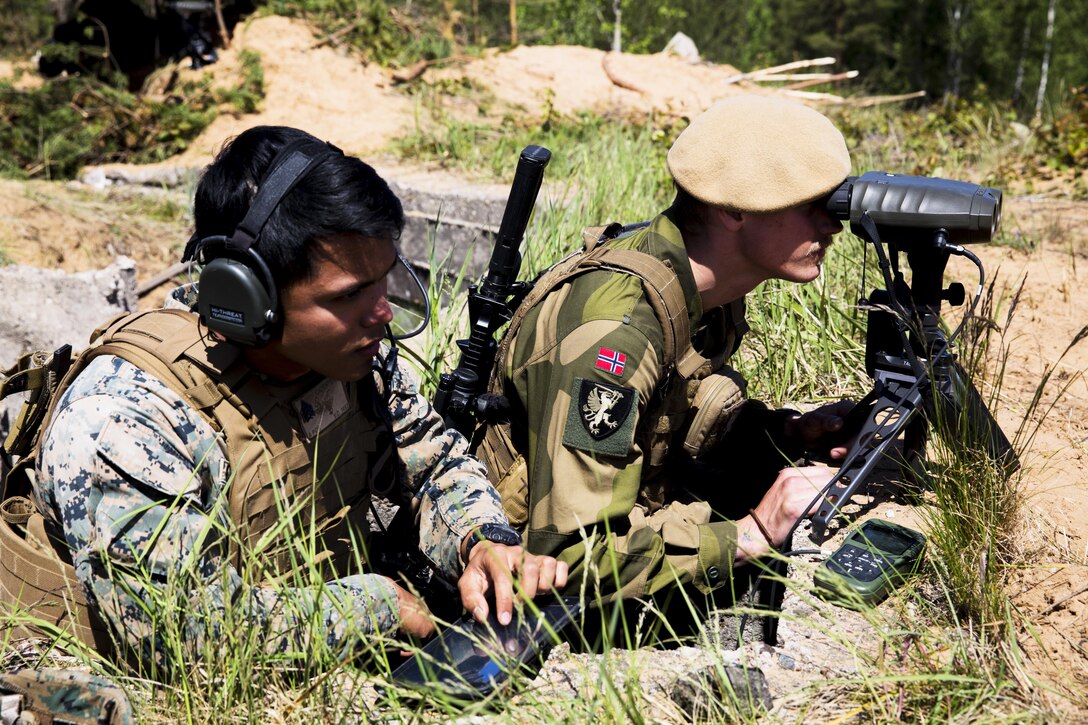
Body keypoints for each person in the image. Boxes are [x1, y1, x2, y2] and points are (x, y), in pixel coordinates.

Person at [16, 125, 567, 669]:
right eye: (350, 294)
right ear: (248, 296)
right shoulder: (127, 418)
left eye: (385, 280)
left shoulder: (349, 355)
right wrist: (376, 606)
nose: (382, 313)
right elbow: (179, 629)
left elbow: (429, 457)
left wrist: (482, 542)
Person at [474, 94, 854, 611]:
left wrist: (784, 435)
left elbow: (669, 412)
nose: (831, 225)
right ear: (733, 209)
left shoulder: (698, 286)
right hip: (521, 561)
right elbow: (571, 558)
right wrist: (752, 533)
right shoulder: (618, 334)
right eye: (811, 205)